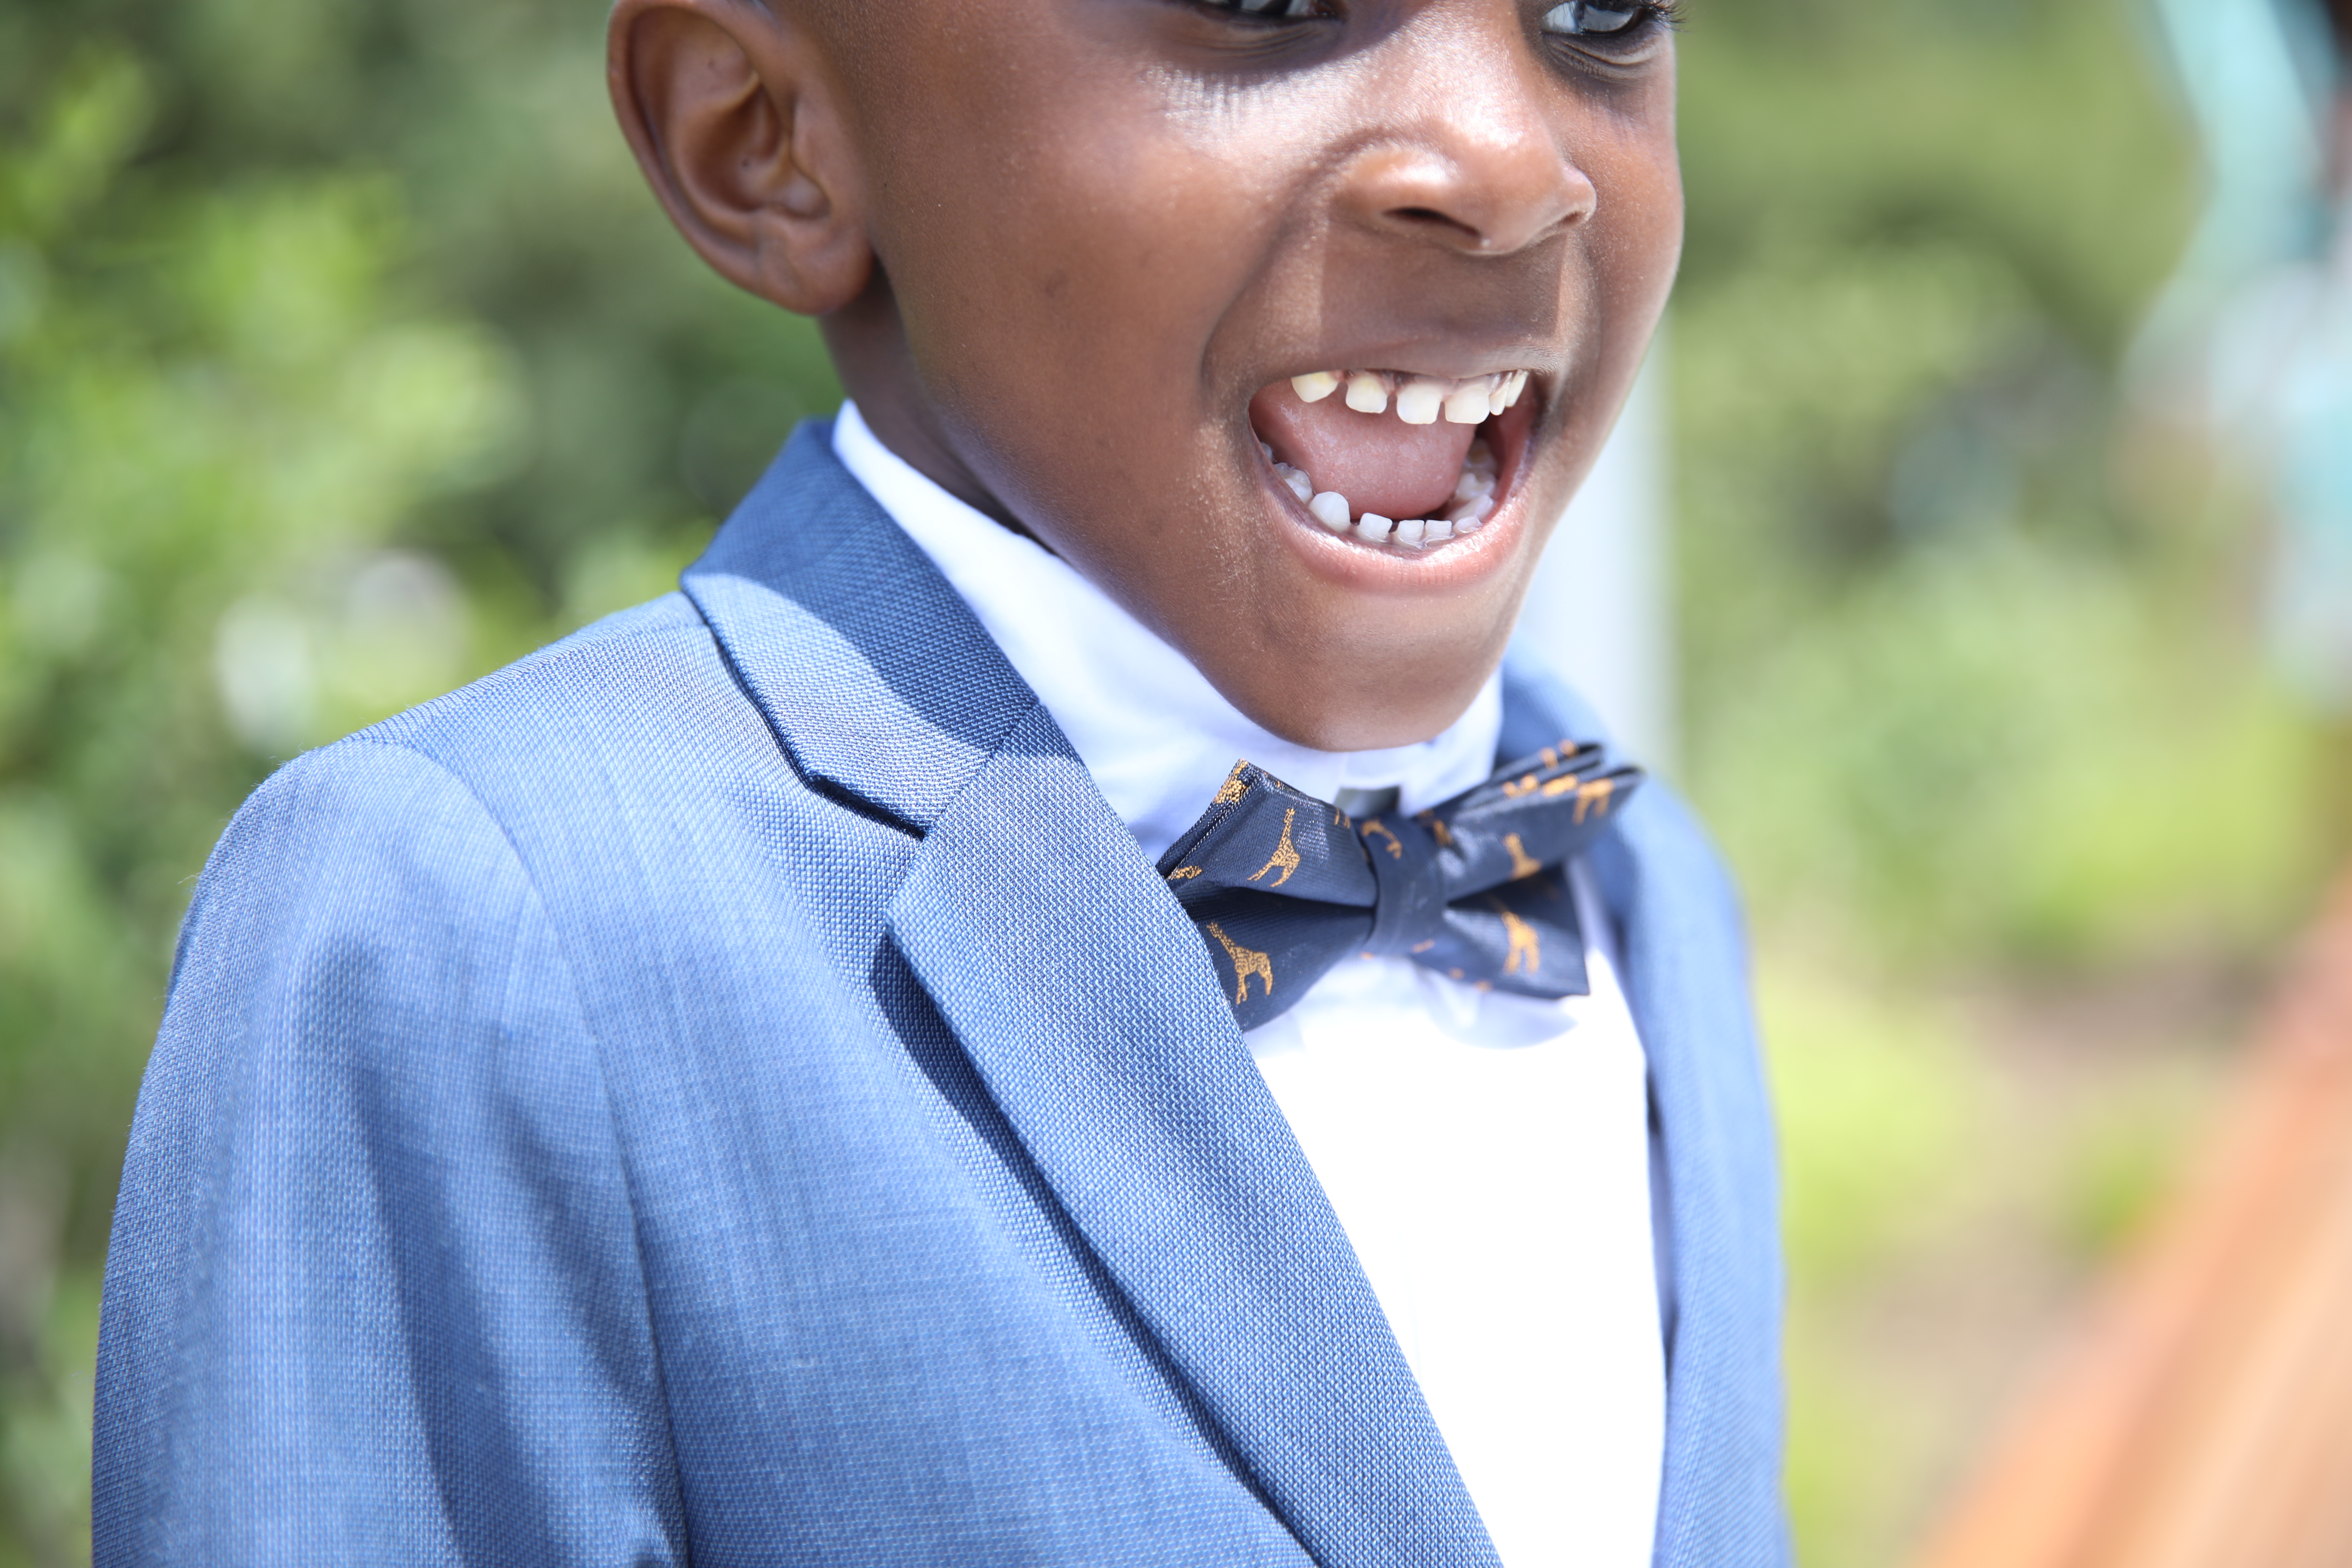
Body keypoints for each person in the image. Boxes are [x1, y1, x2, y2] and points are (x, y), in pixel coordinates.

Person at [91, 1, 1786, 1563]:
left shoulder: (1631, 880)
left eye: (1598, 13)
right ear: (762, 138)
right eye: (1270, 1)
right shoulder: (478, 929)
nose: (1508, 162)